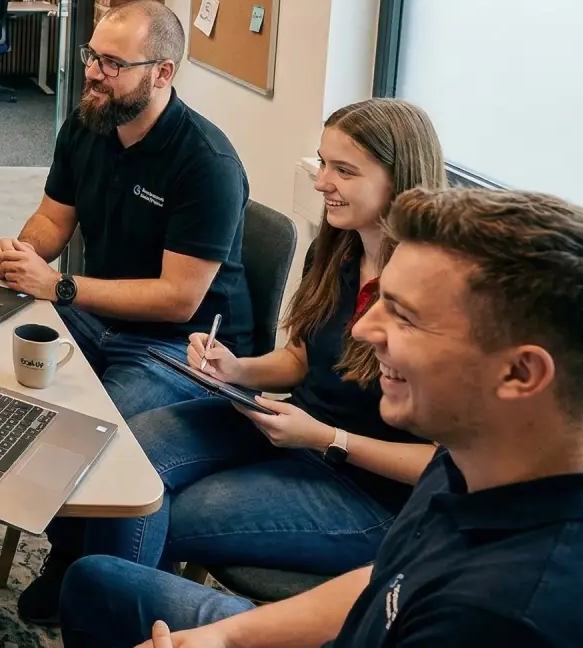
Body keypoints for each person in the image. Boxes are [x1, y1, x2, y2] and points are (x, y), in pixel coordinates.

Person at [60, 186, 583, 648]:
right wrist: (229, 634)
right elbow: (389, 583)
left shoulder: (506, 617)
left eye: (405, 317)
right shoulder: (495, 455)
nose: (365, 330)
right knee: (96, 583)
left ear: (521, 374)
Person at [22, 99, 446, 624]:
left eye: (344, 170)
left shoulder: (441, 292)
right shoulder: (339, 249)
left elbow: (445, 465)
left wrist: (327, 438)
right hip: (291, 430)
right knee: (122, 457)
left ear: (398, 178)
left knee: (146, 505)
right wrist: (236, 371)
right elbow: (300, 358)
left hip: (369, 495)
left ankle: (114, 616)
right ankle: (102, 612)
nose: (320, 182)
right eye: (323, 163)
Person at [0, 0, 254, 622]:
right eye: (92, 56)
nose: (94, 73)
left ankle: (96, 582)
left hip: (180, 346)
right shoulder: (89, 122)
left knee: (103, 445)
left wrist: (58, 288)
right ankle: (71, 543)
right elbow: (55, 216)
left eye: (113, 63)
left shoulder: (206, 163)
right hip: (100, 316)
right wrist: (24, 254)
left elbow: (177, 296)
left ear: (163, 74)